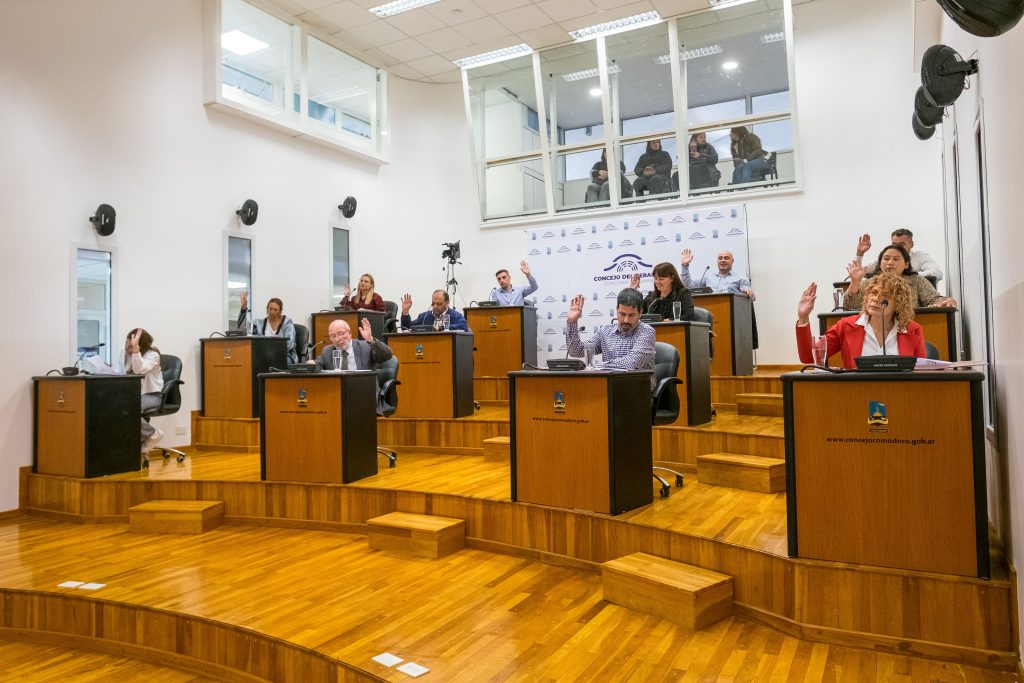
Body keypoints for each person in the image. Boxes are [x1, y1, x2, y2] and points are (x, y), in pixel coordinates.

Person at [796, 274, 926, 369]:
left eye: (885, 296)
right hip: (856, 393)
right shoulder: (846, 326)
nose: (875, 298)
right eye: (873, 292)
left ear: (898, 304)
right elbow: (809, 357)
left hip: (900, 393)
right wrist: (803, 317)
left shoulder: (913, 330)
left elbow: (922, 371)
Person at [565, 288, 656, 390]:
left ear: (640, 312)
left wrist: (599, 366)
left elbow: (633, 363)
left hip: (638, 388)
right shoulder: (605, 331)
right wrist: (572, 321)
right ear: (616, 310)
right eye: (622, 314)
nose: (626, 320)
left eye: (631, 315)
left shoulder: (647, 332)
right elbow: (576, 351)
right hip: (610, 387)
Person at [844, 243, 956, 309]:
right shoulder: (869, 283)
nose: (890, 262)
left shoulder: (917, 281)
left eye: (896, 259)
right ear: (880, 263)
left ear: (906, 264)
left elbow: (934, 300)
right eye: (886, 259)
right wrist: (855, 283)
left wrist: (947, 301)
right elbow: (850, 307)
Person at [116, 328, 164, 457]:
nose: (127, 348)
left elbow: (139, 370)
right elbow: (120, 371)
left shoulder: (152, 355)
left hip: (151, 395)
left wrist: (135, 351)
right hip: (131, 394)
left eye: (130, 346)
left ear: (140, 347)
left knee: (128, 409)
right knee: (114, 407)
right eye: (127, 344)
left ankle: (153, 434)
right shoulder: (123, 351)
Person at [854, 229, 943, 282]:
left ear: (911, 244)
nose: (897, 247)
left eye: (901, 244)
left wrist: (908, 276)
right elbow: (861, 271)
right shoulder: (886, 258)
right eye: (894, 244)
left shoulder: (920, 256)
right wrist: (860, 254)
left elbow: (937, 273)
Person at [238, 292, 298, 363]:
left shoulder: (287, 322)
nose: (272, 312)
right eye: (270, 309)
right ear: (267, 308)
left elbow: (289, 344)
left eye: (275, 310)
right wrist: (243, 308)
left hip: (286, 355)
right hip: (264, 355)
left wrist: (270, 352)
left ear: (280, 311)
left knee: (274, 361)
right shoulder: (258, 323)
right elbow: (243, 329)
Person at [312, 318, 392, 371]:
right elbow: (317, 366)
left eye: (340, 333)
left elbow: (387, 355)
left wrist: (371, 340)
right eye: (332, 336)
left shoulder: (365, 346)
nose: (337, 339)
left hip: (364, 387)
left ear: (349, 333)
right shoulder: (327, 351)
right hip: (337, 390)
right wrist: (312, 365)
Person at [628, 262, 695, 320]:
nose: (657, 282)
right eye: (655, 278)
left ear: (672, 278)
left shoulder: (683, 293)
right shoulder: (651, 297)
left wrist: (668, 321)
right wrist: (632, 290)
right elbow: (635, 313)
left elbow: (689, 316)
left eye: (661, 279)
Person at [679, 249, 756, 300]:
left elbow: (747, 291)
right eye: (720, 258)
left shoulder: (741, 278)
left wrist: (748, 291)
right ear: (717, 261)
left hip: (733, 313)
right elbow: (690, 285)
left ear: (732, 261)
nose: (723, 260)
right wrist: (684, 266)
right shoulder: (709, 277)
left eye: (726, 258)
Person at [400, 290, 470, 332]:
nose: (435, 307)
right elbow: (406, 328)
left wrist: (441, 328)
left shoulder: (455, 315)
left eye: (439, 304)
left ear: (447, 302)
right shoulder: (424, 316)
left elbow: (463, 326)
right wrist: (405, 312)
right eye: (433, 304)